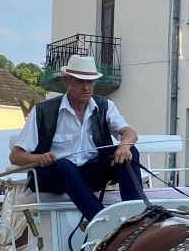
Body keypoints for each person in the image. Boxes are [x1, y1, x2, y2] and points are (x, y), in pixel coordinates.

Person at [9, 54, 143, 223]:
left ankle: (137, 218)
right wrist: (39, 158)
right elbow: (15, 156)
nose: (86, 87)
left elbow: (130, 133)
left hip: (88, 174)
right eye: (80, 81)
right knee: (64, 165)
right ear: (66, 81)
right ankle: (101, 221)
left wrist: (124, 145)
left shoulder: (104, 106)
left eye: (90, 82)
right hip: (53, 177)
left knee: (130, 152)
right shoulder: (43, 111)